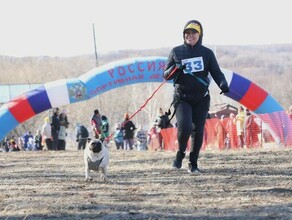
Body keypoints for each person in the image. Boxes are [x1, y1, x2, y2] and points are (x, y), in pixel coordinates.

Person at [163, 20, 229, 173]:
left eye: (194, 33)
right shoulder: (176, 51)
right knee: (185, 127)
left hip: (201, 98)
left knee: (198, 130)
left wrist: (223, 84)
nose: (190, 35)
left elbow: (216, 73)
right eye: (187, 32)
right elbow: (166, 75)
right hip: (182, 97)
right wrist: (176, 68)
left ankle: (193, 164)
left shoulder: (207, 53)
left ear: (200, 35)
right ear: (183, 34)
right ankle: (180, 153)